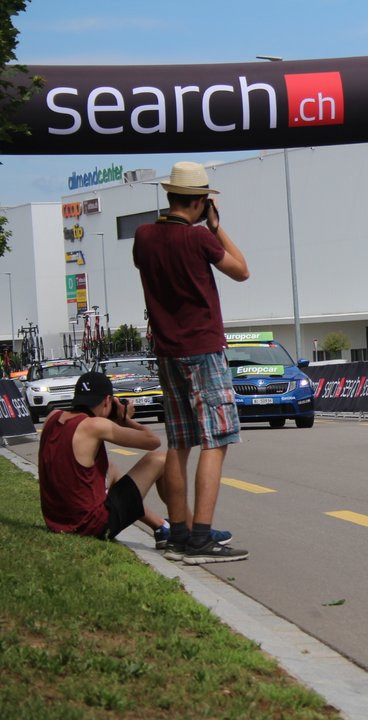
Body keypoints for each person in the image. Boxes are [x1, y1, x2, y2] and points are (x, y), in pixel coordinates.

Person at [132, 161, 250, 564]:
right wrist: (215, 227)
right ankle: (201, 536)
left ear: (170, 195)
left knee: (180, 443)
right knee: (216, 442)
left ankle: (178, 532)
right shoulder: (200, 239)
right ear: (201, 202)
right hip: (203, 350)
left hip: (167, 352)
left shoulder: (143, 236)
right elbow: (242, 271)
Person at [38, 371, 168, 541]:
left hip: (56, 521)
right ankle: (182, 528)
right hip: (91, 525)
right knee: (159, 459)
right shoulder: (95, 425)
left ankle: (161, 526)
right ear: (107, 401)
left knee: (110, 468)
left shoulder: (52, 417)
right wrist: (126, 419)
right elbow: (153, 441)